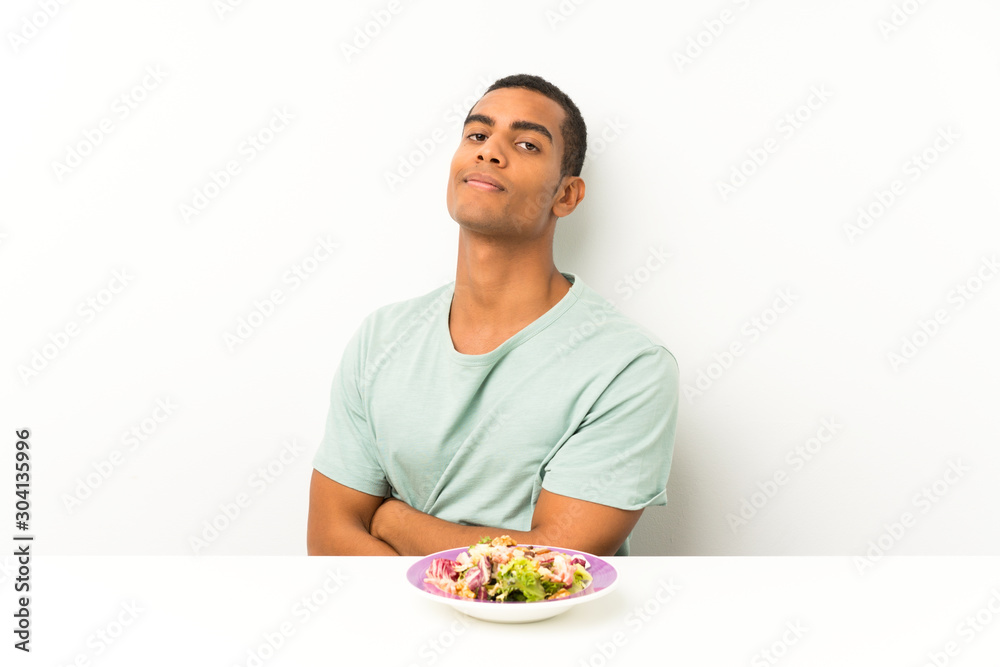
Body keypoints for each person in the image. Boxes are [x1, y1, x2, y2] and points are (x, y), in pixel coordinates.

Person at [307, 74, 678, 557]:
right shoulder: (382, 338)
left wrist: (394, 521)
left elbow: (555, 561)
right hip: (390, 629)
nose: (489, 151)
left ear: (566, 196)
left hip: (547, 635)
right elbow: (329, 537)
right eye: (477, 135)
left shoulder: (630, 367)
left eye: (525, 144)